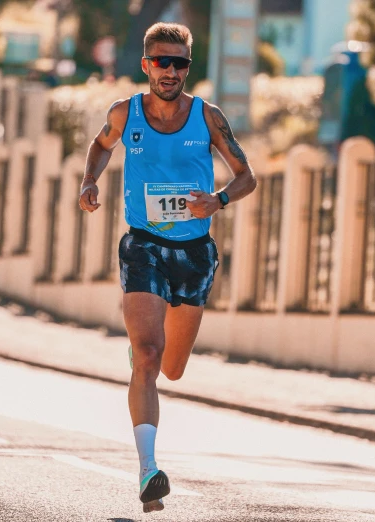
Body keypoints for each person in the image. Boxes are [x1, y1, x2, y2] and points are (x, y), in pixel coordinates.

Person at [79, 22, 256, 513]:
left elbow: (248, 177)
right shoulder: (125, 113)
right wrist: (88, 182)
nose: (171, 71)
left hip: (195, 252)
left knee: (172, 367)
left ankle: (146, 362)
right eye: (162, 61)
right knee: (150, 355)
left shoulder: (209, 117)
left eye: (179, 63)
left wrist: (217, 201)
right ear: (146, 65)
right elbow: (99, 146)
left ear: (187, 68)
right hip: (143, 245)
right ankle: (147, 470)